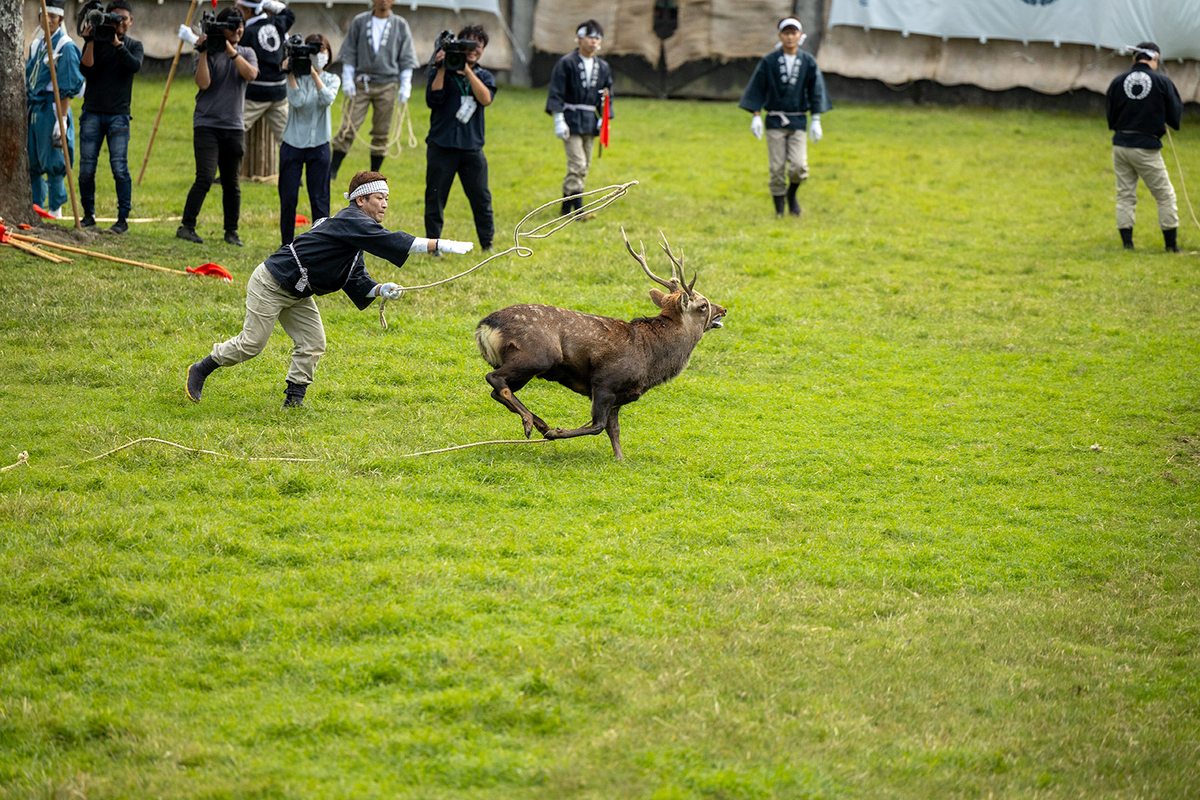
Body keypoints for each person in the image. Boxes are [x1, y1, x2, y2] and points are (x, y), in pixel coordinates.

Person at [184, 171, 475, 409]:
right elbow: (393, 241)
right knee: (252, 345)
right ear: (361, 200)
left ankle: (293, 401)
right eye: (379, 198)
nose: (385, 204)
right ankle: (201, 368)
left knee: (313, 342)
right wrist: (440, 244)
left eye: (387, 198)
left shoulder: (356, 230)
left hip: (299, 292)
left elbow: (356, 279)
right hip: (272, 282)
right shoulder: (351, 220)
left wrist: (380, 290)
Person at [175, 6, 259, 246]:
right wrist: (203, 52)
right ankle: (187, 226)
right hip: (207, 124)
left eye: (241, 25)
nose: (239, 29)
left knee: (232, 183)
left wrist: (231, 52)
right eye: (233, 25)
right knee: (205, 176)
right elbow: (203, 84)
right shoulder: (207, 53)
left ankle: (231, 231)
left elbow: (251, 75)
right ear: (222, 28)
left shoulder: (246, 52)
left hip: (233, 126)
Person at [738, 17, 831, 218]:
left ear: (800, 36)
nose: (790, 37)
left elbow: (816, 90)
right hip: (774, 121)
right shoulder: (769, 61)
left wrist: (816, 119)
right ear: (780, 36)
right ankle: (779, 211)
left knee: (798, 166)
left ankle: (792, 194)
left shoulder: (808, 62)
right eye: (786, 33)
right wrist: (756, 115)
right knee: (777, 167)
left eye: (794, 33)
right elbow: (757, 89)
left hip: (798, 120)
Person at [1106, 42, 1184, 252]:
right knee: (1164, 195)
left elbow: (1110, 116)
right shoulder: (1162, 81)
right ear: (1155, 59)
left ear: (1134, 58)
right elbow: (1175, 115)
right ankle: (1171, 246)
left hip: (1121, 144)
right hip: (1146, 146)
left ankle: (1127, 244)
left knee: (1125, 194)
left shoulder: (1117, 81)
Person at [424, 25, 496, 253]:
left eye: (478, 46)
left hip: (471, 147)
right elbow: (433, 99)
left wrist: (467, 70)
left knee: (481, 198)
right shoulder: (441, 71)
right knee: (435, 197)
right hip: (441, 145)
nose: (473, 51)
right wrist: (442, 67)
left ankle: (487, 244)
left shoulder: (484, 75)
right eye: (467, 46)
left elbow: (485, 99)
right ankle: (433, 245)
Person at [330, 0, 419, 179]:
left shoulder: (400, 25)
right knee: (349, 125)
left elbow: (406, 56)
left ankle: (375, 175)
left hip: (388, 84)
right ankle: (332, 170)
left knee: (382, 131)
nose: (383, 1)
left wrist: (406, 84)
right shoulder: (360, 21)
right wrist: (347, 79)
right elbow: (350, 51)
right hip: (361, 83)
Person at [78, 0, 143, 233]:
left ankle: (122, 219)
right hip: (92, 112)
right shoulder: (97, 42)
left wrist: (117, 44)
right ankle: (88, 216)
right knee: (86, 168)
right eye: (115, 18)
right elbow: (85, 69)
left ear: (130, 21)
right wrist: (90, 40)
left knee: (119, 168)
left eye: (123, 19)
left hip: (118, 115)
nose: (119, 23)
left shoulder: (134, 45)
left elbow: (134, 65)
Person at [545, 19, 612, 216]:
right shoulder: (566, 63)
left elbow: (607, 95)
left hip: (590, 121)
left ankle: (566, 206)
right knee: (578, 164)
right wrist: (559, 119)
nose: (594, 42)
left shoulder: (603, 67)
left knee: (584, 166)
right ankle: (579, 210)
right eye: (590, 37)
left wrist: (603, 118)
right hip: (571, 119)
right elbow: (556, 92)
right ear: (579, 38)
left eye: (598, 38)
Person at [278, 33, 339, 245]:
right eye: (314, 52)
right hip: (292, 144)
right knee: (288, 197)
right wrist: (290, 73)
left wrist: (314, 73)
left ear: (329, 54)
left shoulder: (332, 79)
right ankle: (286, 244)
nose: (319, 56)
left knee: (320, 198)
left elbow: (327, 100)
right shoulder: (296, 77)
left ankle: (320, 243)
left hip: (319, 145)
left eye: (323, 51)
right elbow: (297, 102)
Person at [26, 3, 84, 220]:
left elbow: (67, 83)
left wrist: (62, 119)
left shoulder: (65, 46)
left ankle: (55, 211)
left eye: (53, 16)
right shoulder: (35, 45)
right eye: (45, 15)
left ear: (60, 20)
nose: (48, 20)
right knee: (32, 160)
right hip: (34, 107)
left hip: (53, 107)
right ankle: (35, 208)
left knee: (53, 159)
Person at [237, 0, 294, 143]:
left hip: (255, 94)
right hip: (279, 92)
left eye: (239, 9)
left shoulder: (246, 32)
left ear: (248, 11)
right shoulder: (277, 23)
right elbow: (290, 15)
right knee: (288, 140)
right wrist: (275, 5)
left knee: (232, 130)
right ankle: (293, 164)